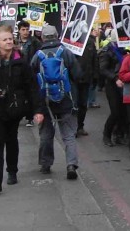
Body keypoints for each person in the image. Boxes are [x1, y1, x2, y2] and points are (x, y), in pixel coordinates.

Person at [0, 26, 45, 192]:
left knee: (11, 140)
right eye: (4, 39)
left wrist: (37, 110)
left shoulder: (21, 61)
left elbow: (32, 87)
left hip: (14, 108)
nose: (9, 42)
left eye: (10, 39)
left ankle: (12, 171)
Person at [30, 25, 83, 180]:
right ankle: (71, 165)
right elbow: (78, 75)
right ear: (57, 35)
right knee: (68, 134)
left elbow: (31, 78)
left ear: (43, 37)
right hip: (66, 100)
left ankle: (46, 164)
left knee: (46, 133)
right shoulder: (66, 52)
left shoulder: (38, 55)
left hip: (45, 101)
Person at [99, 32, 128, 147]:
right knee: (115, 111)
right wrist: (115, 78)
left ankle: (119, 134)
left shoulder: (124, 51)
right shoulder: (107, 51)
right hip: (112, 84)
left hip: (124, 83)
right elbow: (103, 69)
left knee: (124, 111)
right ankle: (107, 134)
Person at [74, 25, 100, 137]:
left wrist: (95, 76)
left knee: (83, 104)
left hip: (86, 78)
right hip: (73, 79)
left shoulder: (89, 42)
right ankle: (73, 127)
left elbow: (95, 59)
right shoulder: (71, 42)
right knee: (73, 104)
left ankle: (80, 126)